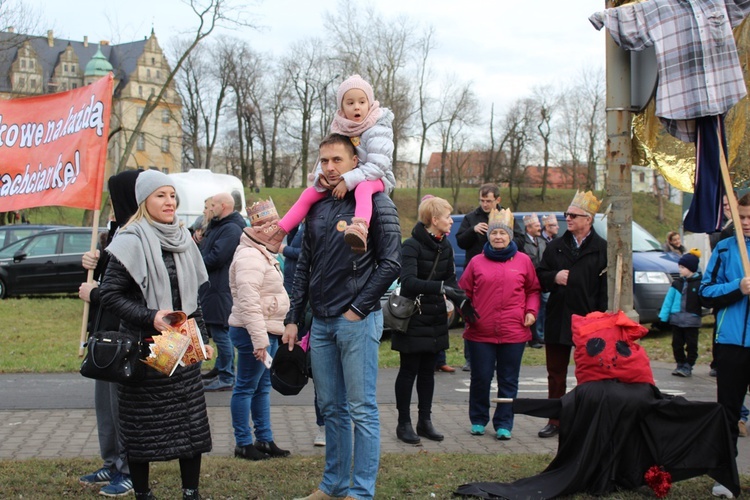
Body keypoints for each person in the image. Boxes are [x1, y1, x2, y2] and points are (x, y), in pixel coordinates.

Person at [281, 134, 401, 500]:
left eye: (337, 160)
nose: (330, 168)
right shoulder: (316, 207)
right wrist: (293, 316)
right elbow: (304, 265)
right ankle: (332, 485)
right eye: (324, 161)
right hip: (320, 323)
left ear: (355, 161)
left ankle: (361, 492)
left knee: (361, 409)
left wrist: (358, 308)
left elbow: (392, 263)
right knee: (331, 409)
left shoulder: (377, 202)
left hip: (356, 321)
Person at [99, 169, 213, 500]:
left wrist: (202, 337)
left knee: (191, 425)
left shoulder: (182, 237)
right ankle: (143, 493)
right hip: (144, 347)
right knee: (142, 430)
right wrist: (151, 317)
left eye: (172, 195)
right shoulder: (129, 239)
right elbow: (110, 295)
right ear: (143, 201)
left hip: (182, 341)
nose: (168, 202)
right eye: (160, 196)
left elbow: (192, 299)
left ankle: (190, 492)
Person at [250, 74, 395, 254]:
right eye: (350, 103)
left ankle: (360, 228)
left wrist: (347, 181)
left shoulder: (378, 129)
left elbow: (379, 165)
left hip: (377, 178)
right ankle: (278, 233)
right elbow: (327, 157)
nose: (356, 107)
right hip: (348, 177)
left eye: (362, 102)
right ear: (342, 108)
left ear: (370, 103)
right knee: (310, 193)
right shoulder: (342, 128)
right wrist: (322, 178)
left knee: (363, 189)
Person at [77, 169, 143, 497]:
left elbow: (132, 289)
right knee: (104, 404)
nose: (111, 205)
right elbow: (112, 273)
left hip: (126, 334)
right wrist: (97, 259)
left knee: (122, 407)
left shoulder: (142, 234)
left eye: (115, 197)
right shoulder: (117, 231)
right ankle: (111, 460)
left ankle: (128, 469)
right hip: (105, 332)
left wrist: (96, 293)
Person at [392, 197, 470, 444]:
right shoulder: (411, 246)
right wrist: (440, 288)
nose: (450, 221)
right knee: (408, 372)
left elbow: (450, 281)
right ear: (434, 220)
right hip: (413, 317)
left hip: (435, 316)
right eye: (447, 217)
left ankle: (424, 421)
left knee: (428, 372)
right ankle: (403, 423)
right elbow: (409, 282)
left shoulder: (445, 246)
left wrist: (464, 302)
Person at [459, 208, 540, 440]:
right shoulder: (476, 262)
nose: (498, 237)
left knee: (508, 379)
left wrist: (531, 311)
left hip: (514, 331)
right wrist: (467, 315)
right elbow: (463, 292)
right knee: (481, 377)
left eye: (502, 234)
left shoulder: (523, 262)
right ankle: (478, 419)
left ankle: (504, 422)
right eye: (494, 233)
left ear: (510, 236)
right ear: (488, 236)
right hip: (480, 332)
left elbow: (533, 290)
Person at [535, 191, 607, 439]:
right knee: (555, 373)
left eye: (574, 215)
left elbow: (604, 290)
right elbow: (540, 276)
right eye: (567, 214)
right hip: (557, 319)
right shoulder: (556, 247)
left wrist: (599, 320)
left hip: (588, 322)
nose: (568, 218)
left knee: (588, 373)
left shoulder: (601, 250)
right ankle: (555, 420)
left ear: (589, 219)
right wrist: (554, 277)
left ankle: (585, 419)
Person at [228, 200, 291, 461]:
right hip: (253, 332)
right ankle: (243, 442)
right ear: (257, 227)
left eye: (275, 222)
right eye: (267, 223)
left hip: (267, 331)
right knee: (245, 387)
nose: (274, 228)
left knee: (262, 387)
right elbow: (249, 301)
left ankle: (264, 439)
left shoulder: (264, 252)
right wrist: (259, 340)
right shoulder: (249, 256)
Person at [700, 192, 750, 499]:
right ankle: (726, 478)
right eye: (741, 216)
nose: (745, 223)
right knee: (728, 412)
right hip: (731, 343)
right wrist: (737, 287)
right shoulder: (725, 248)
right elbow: (705, 293)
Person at [199, 192, 246, 392]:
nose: (210, 209)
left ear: (224, 206)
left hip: (221, 289)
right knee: (218, 333)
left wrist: (197, 263)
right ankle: (220, 369)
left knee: (221, 334)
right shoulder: (220, 227)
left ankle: (227, 376)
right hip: (214, 288)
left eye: (213, 205)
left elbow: (216, 257)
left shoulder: (231, 229)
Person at [455, 183, 503, 372]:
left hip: (499, 273)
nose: (485, 204)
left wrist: (501, 232)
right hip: (475, 273)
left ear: (497, 200)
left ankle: (496, 356)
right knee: (471, 315)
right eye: (482, 200)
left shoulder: (505, 216)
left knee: (496, 315)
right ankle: (470, 358)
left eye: (489, 201)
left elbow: (520, 241)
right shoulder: (471, 217)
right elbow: (460, 241)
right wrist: (473, 230)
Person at [658, 249, 703, 378]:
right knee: (676, 344)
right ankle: (680, 363)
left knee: (691, 345)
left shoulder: (699, 284)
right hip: (677, 320)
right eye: (680, 267)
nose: (680, 270)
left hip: (692, 320)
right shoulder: (676, 284)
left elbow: (704, 299)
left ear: (691, 268)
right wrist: (663, 316)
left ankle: (689, 365)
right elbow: (668, 301)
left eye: (683, 267)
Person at [514, 213, 546, 349]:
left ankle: (537, 335)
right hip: (526, 280)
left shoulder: (542, 241)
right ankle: (532, 338)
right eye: (537, 226)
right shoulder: (523, 244)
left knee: (539, 308)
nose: (540, 228)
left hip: (539, 279)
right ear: (528, 228)